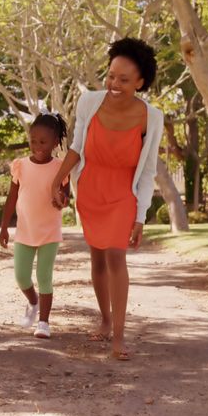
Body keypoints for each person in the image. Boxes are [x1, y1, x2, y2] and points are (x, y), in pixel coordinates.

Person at [50, 38, 163, 361]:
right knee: (97, 258)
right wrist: (58, 181)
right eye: (111, 76)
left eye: (124, 80)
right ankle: (104, 319)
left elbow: (148, 171)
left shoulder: (152, 118)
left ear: (140, 83)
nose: (114, 84)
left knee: (116, 256)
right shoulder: (89, 102)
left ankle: (119, 337)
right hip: (91, 189)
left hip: (122, 194)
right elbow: (77, 148)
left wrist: (140, 215)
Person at [0, 113, 69, 339]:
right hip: (25, 230)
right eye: (33, 141)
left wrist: (60, 200)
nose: (37, 146)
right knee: (21, 276)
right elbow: (12, 198)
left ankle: (44, 323)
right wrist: (3, 227)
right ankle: (33, 301)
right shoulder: (20, 166)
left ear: (55, 142)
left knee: (44, 276)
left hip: (49, 230)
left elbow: (65, 198)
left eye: (43, 142)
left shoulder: (60, 167)